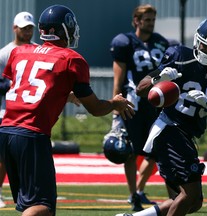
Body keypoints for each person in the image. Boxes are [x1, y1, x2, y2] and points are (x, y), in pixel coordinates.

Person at [0, 4, 134, 216]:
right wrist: (115, 103)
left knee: (28, 204)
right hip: (32, 134)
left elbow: (28, 85)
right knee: (42, 206)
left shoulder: (19, 52)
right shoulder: (71, 59)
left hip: (5, 131)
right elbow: (96, 109)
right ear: (60, 30)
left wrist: (64, 94)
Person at [116, 17, 207, 216]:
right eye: (205, 47)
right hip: (169, 128)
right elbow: (141, 89)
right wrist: (159, 78)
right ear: (197, 41)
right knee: (189, 195)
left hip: (187, 135)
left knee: (193, 201)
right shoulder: (179, 55)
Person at [110, 4, 169, 211]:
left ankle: (140, 189)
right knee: (130, 151)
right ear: (136, 20)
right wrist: (116, 108)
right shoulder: (125, 42)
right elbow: (119, 77)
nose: (151, 24)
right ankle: (133, 194)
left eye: (153, 20)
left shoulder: (160, 43)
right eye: (147, 20)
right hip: (132, 103)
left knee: (156, 150)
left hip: (155, 103)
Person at [0, 11, 36, 208]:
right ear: (15, 28)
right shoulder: (5, 53)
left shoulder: (38, 50)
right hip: (8, 112)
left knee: (30, 157)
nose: (28, 32)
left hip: (32, 113)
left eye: (30, 28)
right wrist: (16, 85)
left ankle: (28, 193)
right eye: (24, 28)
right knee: (4, 158)